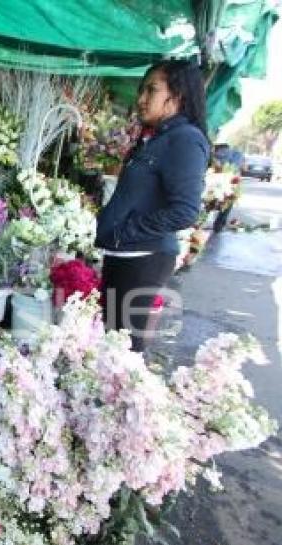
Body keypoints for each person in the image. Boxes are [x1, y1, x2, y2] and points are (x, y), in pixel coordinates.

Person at [95, 60, 210, 352]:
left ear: (178, 95)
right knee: (109, 343)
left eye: (151, 91)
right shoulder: (159, 138)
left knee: (122, 351)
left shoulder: (185, 140)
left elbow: (185, 210)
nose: (141, 99)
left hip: (142, 258)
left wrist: (126, 230)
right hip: (125, 253)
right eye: (141, 90)